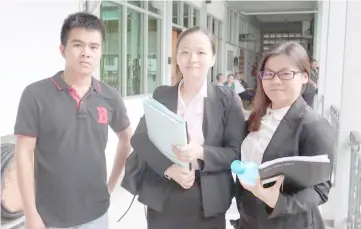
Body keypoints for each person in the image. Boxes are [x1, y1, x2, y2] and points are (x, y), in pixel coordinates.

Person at [14, 12, 132, 229]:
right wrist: (31, 213)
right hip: (48, 216)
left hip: (96, 214)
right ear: (63, 49)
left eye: (94, 47)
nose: (86, 53)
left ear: (101, 52)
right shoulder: (36, 95)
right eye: (78, 45)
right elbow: (23, 153)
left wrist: (110, 187)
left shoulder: (110, 96)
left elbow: (127, 140)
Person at [131, 26, 245, 229]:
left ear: (212, 58)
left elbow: (235, 153)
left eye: (201, 52)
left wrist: (200, 152)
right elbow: (140, 138)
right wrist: (169, 169)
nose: (192, 58)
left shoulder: (228, 99)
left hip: (208, 198)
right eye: (185, 52)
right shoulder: (163, 95)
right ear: (177, 58)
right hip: (163, 193)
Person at [234, 42, 333, 229]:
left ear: (305, 76)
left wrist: (278, 201)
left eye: (286, 74)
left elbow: (321, 189)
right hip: (249, 220)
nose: (275, 81)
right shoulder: (258, 116)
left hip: (288, 223)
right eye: (269, 73)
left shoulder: (313, 125)